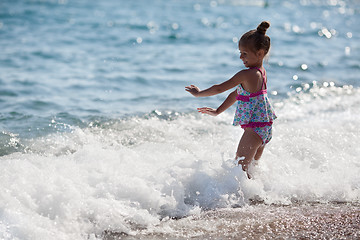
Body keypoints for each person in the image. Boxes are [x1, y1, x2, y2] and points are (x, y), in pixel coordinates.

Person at [185, 21, 277, 178]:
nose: (241, 57)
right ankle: (257, 197)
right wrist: (218, 111)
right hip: (265, 128)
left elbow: (220, 88)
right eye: (240, 52)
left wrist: (199, 93)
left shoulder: (246, 74)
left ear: (260, 53)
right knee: (251, 170)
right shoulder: (261, 72)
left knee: (239, 169)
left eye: (245, 53)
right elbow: (236, 94)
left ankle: (241, 200)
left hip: (254, 130)